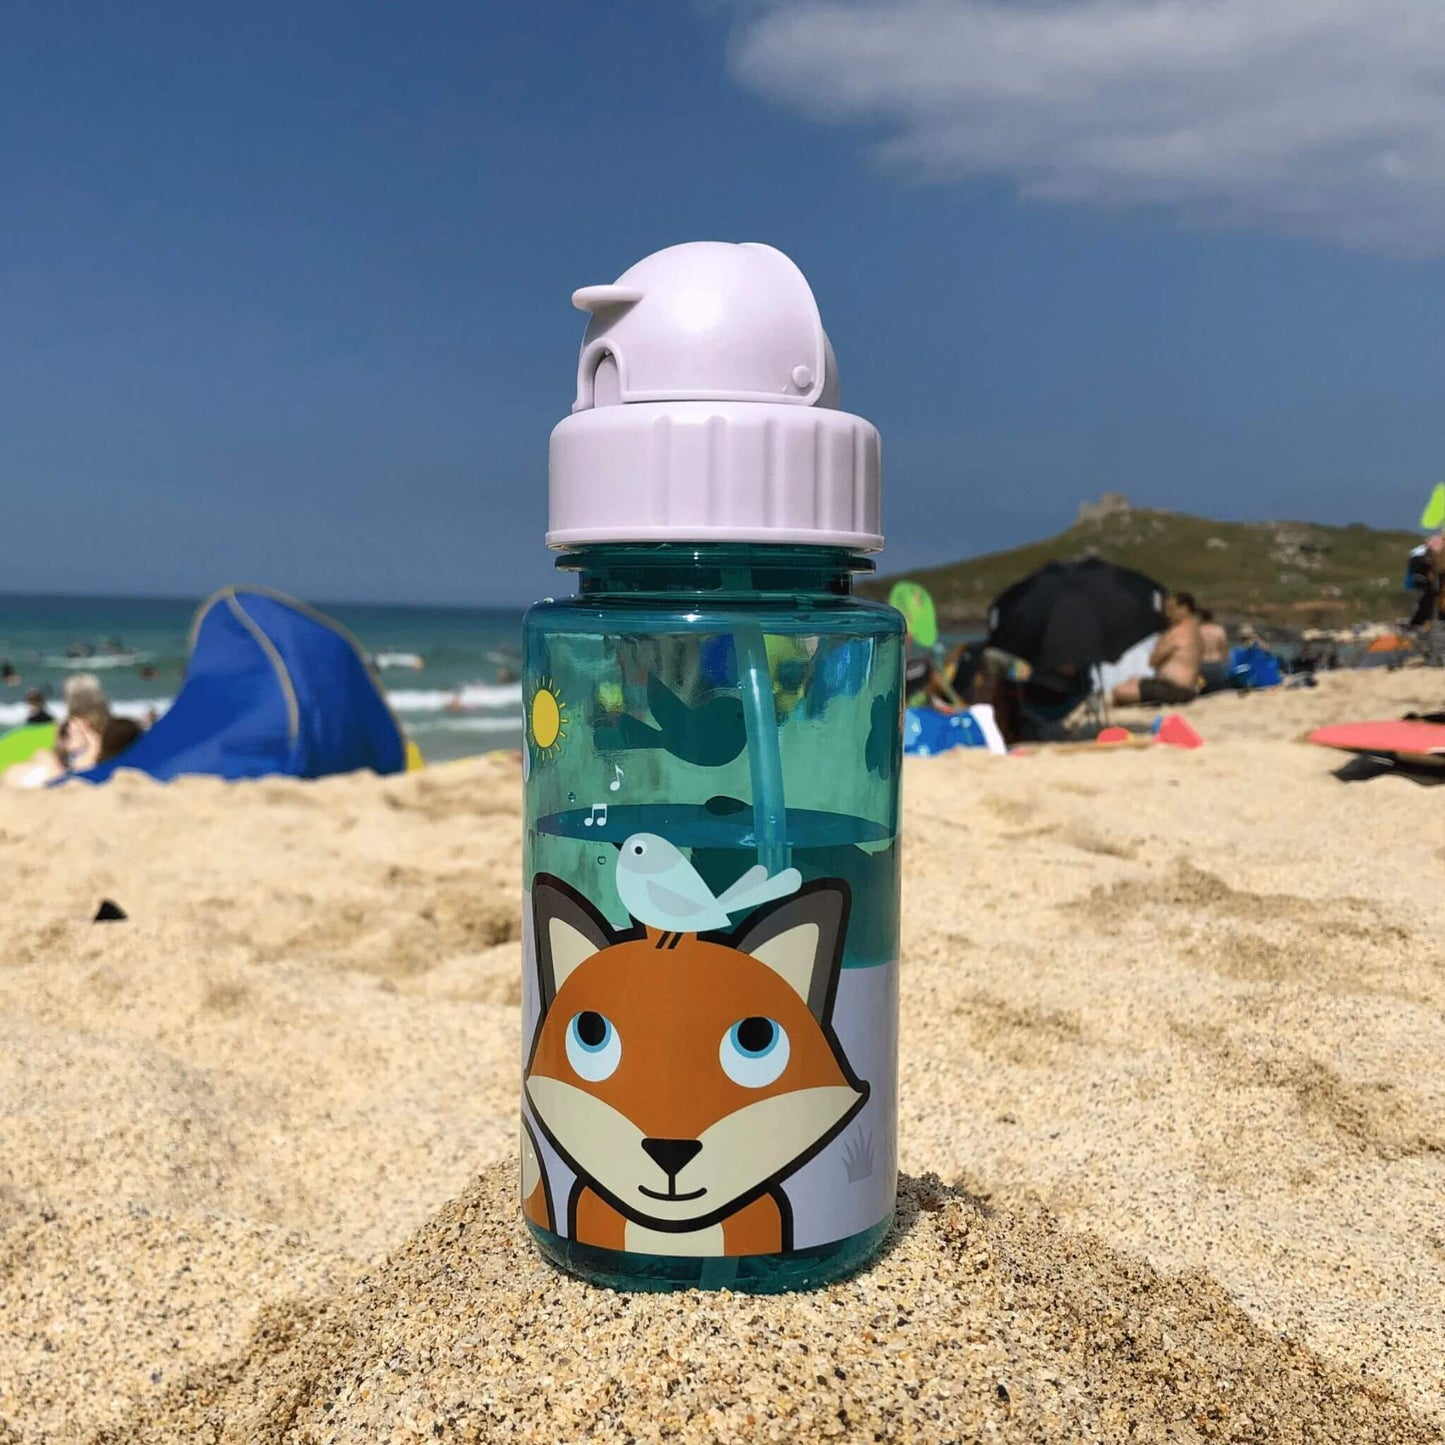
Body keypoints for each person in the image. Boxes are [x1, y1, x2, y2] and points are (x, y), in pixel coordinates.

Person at [1111, 591, 1202, 707]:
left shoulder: (1177, 632)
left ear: (1184, 609)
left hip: (1175, 689)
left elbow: (1153, 660)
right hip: (1183, 687)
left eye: (1171, 609)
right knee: (1133, 681)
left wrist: (1163, 635)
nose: (1168, 614)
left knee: (1119, 692)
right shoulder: (1194, 628)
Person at [1198, 608, 1230, 692]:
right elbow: (1224, 649)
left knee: (1202, 689)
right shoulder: (1219, 630)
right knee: (1216, 690)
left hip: (1202, 665)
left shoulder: (1198, 630)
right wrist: (1226, 664)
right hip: (1217, 665)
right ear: (1212, 618)